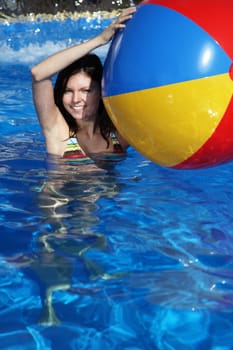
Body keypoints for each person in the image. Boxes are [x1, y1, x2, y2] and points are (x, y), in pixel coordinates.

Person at [31, 7, 136, 165]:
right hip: (61, 191)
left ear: (101, 92)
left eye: (85, 90)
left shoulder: (117, 135)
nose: (76, 99)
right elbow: (38, 73)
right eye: (68, 91)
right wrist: (99, 40)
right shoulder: (59, 131)